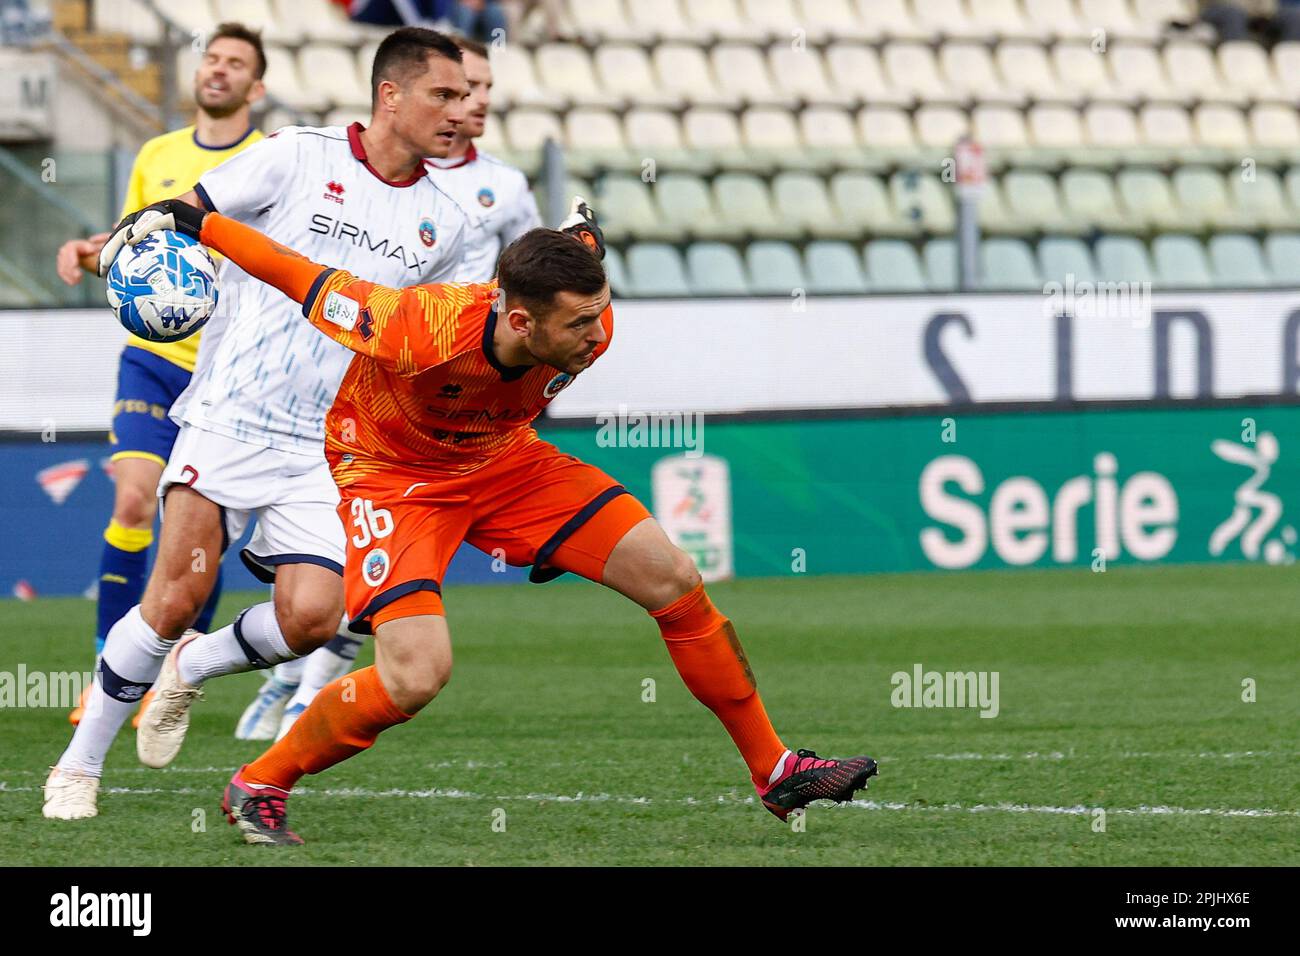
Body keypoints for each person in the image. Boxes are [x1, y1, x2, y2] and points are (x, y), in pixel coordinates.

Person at [104, 195, 880, 846]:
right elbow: (300, 276)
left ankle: (776, 772)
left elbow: (573, 248)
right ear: (517, 320)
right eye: (579, 322)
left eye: (600, 312)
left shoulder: (583, 321)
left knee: (674, 577)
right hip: (393, 478)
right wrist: (192, 221)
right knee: (417, 675)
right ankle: (259, 782)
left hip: (504, 460)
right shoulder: (413, 327)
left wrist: (582, 241)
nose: (597, 335)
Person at [42, 27, 476, 821]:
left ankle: (193, 668)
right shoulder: (295, 156)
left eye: (469, 98)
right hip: (229, 413)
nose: (462, 113)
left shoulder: (445, 227)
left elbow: (423, 344)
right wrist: (117, 252)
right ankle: (78, 765)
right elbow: (184, 215)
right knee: (176, 594)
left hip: (327, 444)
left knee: (315, 617)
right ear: (391, 95)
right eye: (444, 96)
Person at [237, 33, 544, 741]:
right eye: (460, 88)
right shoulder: (389, 172)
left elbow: (527, 281)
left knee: (394, 563)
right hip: (356, 386)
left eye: (484, 90)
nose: (475, 102)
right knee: (349, 561)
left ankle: (305, 688)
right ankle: (278, 678)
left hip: (456, 395)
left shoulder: (505, 187)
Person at [53, 21, 268, 728]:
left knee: (197, 532)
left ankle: (168, 668)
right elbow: (128, 249)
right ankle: (106, 673)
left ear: (255, 86)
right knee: (135, 503)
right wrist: (89, 252)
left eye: (236, 63)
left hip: (229, 375)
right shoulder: (157, 153)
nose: (219, 70)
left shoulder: (270, 159)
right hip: (153, 362)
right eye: (212, 58)